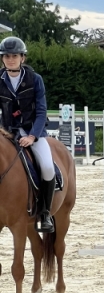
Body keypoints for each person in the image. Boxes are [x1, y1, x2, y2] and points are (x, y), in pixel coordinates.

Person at [0, 36, 55, 232]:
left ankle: (45, 213)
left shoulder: (35, 79)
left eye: (14, 56)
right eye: (6, 56)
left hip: (32, 131)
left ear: (22, 58)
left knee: (48, 167)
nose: (10, 59)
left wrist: (32, 136)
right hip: (6, 132)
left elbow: (41, 111)